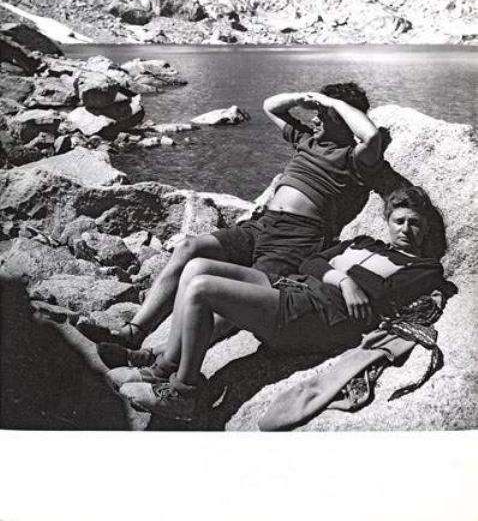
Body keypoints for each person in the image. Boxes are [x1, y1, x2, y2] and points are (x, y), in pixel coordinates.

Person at [77, 82, 384, 352]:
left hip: (297, 239)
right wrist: (304, 98)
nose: (315, 118)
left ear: (342, 118)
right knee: (189, 248)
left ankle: (163, 356)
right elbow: (270, 106)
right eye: (317, 113)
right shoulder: (307, 139)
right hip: (260, 225)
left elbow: (371, 136)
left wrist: (333, 103)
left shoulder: (354, 158)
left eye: (324, 115)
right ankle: (135, 331)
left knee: (238, 299)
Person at [111, 186, 450, 422]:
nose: (406, 229)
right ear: (389, 222)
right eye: (400, 221)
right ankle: (163, 369)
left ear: (425, 230)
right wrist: (344, 279)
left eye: (415, 224)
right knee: (196, 266)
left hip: (320, 315)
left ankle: (183, 394)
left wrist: (337, 273)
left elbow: (378, 292)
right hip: (295, 287)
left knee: (202, 290)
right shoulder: (364, 242)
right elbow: (310, 262)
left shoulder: (424, 268)